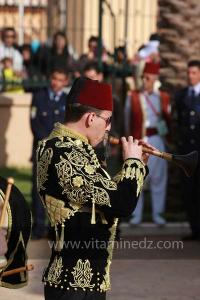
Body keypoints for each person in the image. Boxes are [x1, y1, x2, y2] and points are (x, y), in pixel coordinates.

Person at [36, 77, 154, 300]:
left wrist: (138, 166)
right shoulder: (67, 155)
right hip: (73, 287)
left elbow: (103, 197)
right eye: (107, 120)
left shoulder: (64, 148)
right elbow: (121, 204)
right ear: (91, 118)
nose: (109, 128)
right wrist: (132, 165)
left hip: (77, 283)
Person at [125, 62, 171, 225]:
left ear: (155, 79)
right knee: (138, 176)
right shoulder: (133, 96)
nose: (145, 81)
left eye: (148, 78)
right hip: (139, 140)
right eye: (144, 77)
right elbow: (127, 120)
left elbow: (168, 120)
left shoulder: (163, 97)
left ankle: (158, 214)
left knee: (159, 178)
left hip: (157, 139)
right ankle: (136, 215)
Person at [30, 68, 69, 239]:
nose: (56, 82)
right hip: (41, 149)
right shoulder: (39, 96)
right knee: (39, 188)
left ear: (65, 82)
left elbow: (67, 125)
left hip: (58, 151)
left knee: (57, 189)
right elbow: (33, 121)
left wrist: (56, 143)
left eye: (60, 79)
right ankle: (39, 226)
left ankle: (55, 227)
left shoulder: (67, 101)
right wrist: (45, 141)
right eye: (54, 78)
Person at [175, 60, 200, 240]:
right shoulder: (182, 95)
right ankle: (195, 229)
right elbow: (177, 122)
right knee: (189, 191)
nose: (190, 76)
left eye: (193, 72)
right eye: (188, 72)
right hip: (186, 152)